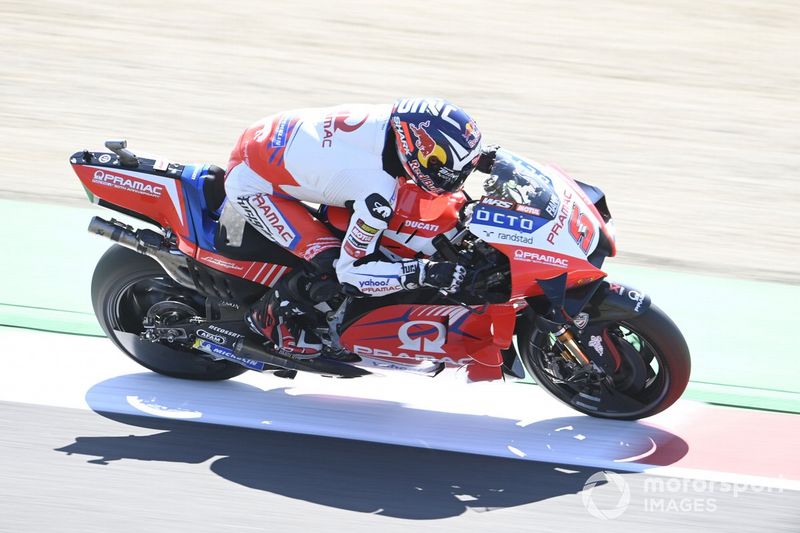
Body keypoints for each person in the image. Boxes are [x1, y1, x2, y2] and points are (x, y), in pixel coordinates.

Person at [223, 97, 495, 358]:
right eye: (446, 167)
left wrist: (479, 158)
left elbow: (438, 139)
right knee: (329, 261)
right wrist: (424, 273)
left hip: (269, 135)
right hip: (253, 182)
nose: (458, 177)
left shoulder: (392, 122)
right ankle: (269, 319)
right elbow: (351, 275)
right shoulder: (376, 191)